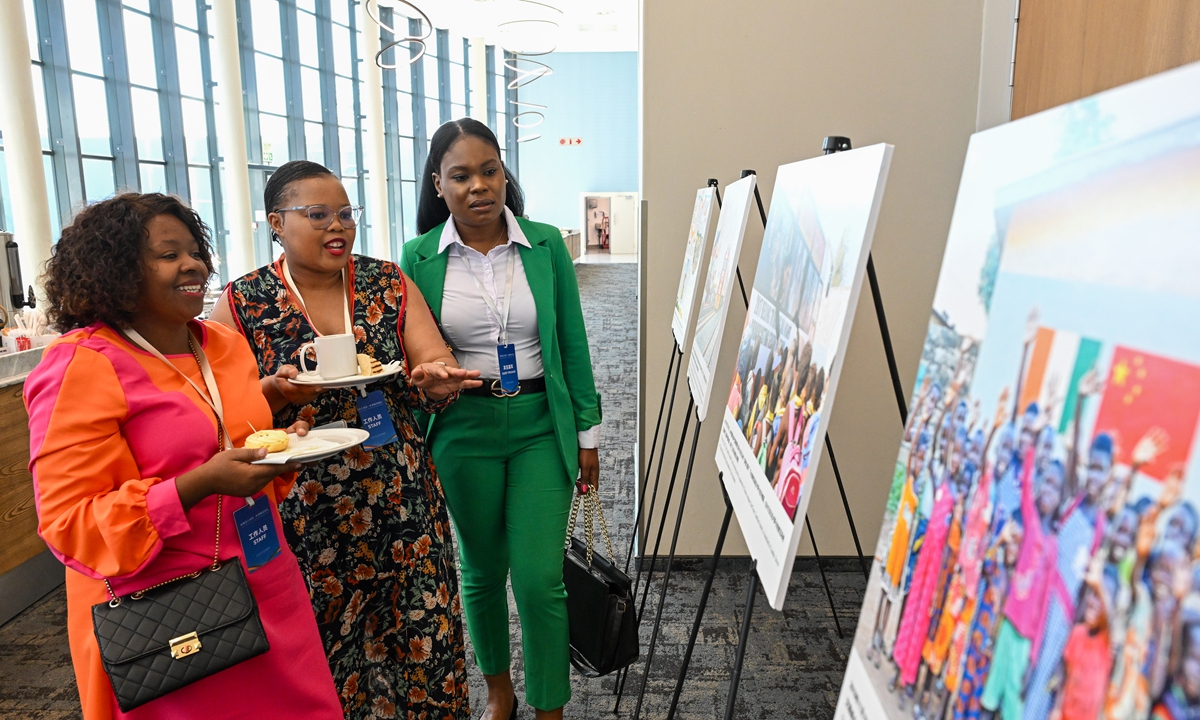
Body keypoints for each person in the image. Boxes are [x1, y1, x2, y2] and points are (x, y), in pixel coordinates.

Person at [25, 193, 344, 720]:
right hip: (162, 615)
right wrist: (199, 484)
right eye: (168, 254)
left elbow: (216, 430)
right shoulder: (82, 365)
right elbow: (69, 522)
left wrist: (280, 430)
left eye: (195, 251)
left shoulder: (220, 344)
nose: (193, 263)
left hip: (264, 578)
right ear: (116, 272)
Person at [210, 160, 479, 719]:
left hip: (400, 493)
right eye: (318, 215)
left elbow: (432, 360)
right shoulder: (242, 303)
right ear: (275, 223)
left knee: (420, 634)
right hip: (303, 504)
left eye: (345, 214)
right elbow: (219, 415)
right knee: (327, 649)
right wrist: (279, 393)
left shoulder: (386, 280)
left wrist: (434, 379)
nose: (338, 227)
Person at [400, 118, 602, 720]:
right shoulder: (417, 256)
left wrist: (587, 434)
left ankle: (548, 706)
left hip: (542, 420)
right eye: (461, 175)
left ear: (505, 176)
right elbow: (406, 347)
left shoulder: (542, 245)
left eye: (490, 171)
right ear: (438, 184)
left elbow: (573, 343)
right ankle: (498, 690)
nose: (479, 186)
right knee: (481, 570)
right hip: (462, 426)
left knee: (540, 579)